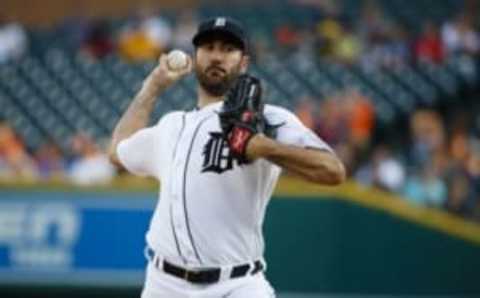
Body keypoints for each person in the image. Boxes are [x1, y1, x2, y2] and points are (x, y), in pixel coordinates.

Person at [109, 17, 345, 298]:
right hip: (164, 284)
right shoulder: (171, 125)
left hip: (237, 285)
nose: (217, 56)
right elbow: (117, 151)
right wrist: (153, 86)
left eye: (227, 49)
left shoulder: (268, 118)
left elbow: (333, 171)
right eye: (208, 48)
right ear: (195, 57)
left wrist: (264, 147)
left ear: (243, 62)